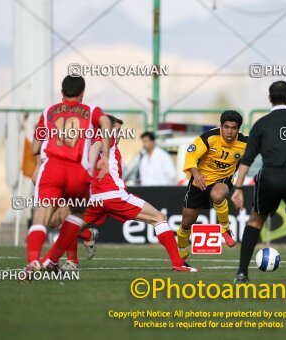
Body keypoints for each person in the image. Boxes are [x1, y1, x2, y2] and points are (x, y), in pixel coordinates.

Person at [41, 115, 197, 272]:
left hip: (94, 199)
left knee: (71, 228)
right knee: (159, 218)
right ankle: (178, 263)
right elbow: (97, 147)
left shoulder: (86, 141)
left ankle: (52, 260)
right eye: (116, 129)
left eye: (120, 131)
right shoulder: (104, 137)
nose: (119, 134)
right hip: (113, 196)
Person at [231, 81, 286, 283]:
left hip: (270, 176)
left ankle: (242, 272)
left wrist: (238, 187)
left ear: (270, 98)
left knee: (255, 220)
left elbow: (247, 159)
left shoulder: (261, 124)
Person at [26, 75, 111, 273]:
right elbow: (106, 122)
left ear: (62, 92)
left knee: (43, 215)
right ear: (83, 93)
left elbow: (35, 147)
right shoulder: (91, 111)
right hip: (78, 171)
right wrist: (105, 156)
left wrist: (39, 160)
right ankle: (53, 260)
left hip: (52, 168)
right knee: (76, 213)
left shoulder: (48, 112)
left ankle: (33, 261)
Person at [176, 110, 247, 259]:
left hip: (222, 180)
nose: (229, 131)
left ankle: (225, 229)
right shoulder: (209, 137)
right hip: (199, 181)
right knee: (186, 223)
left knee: (218, 194)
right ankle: (182, 250)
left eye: (233, 128)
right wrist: (196, 174)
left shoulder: (245, 143)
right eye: (226, 127)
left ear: (238, 129)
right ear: (221, 126)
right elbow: (191, 155)